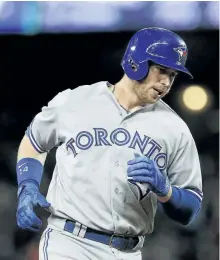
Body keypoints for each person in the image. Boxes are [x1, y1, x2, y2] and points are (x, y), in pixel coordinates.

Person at [16, 27, 203, 260]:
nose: (166, 82)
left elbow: (191, 208)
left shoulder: (175, 129)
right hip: (68, 244)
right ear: (137, 63)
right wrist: (28, 186)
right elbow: (34, 141)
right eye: (162, 70)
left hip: (128, 252)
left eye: (172, 75)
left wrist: (166, 190)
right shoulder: (76, 101)